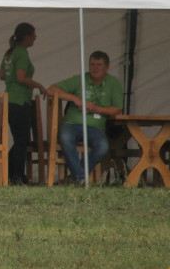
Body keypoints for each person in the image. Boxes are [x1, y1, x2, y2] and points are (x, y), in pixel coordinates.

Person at [47, 51, 123, 184]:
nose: (95, 68)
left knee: (103, 146)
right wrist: (76, 100)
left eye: (99, 65)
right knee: (65, 138)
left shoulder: (113, 83)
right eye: (92, 64)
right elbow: (51, 89)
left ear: (107, 67)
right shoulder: (80, 79)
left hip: (94, 127)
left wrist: (97, 109)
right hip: (71, 124)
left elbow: (117, 109)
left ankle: (75, 178)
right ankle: (80, 178)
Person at [0, 22, 49, 185]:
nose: (35, 38)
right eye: (33, 35)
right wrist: (39, 85)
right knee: (22, 140)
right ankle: (16, 175)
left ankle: (8, 171)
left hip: (9, 100)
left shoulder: (10, 53)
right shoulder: (21, 53)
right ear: (26, 36)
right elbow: (21, 77)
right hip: (20, 101)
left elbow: (1, 75)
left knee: (20, 139)